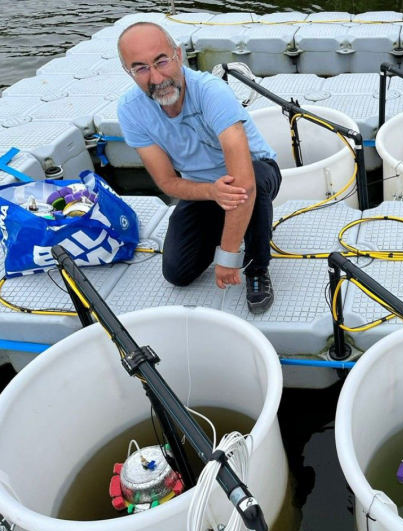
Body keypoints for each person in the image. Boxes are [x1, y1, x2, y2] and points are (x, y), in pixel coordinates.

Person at [115, 21, 281, 313]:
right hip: (204, 187)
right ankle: (233, 220)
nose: (156, 77)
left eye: (161, 61)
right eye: (140, 68)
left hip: (255, 171)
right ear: (128, 72)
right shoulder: (130, 110)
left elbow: (243, 181)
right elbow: (167, 182)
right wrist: (212, 192)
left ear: (179, 54)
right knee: (178, 272)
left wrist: (228, 256)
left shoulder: (211, 92)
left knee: (249, 183)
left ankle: (257, 266)